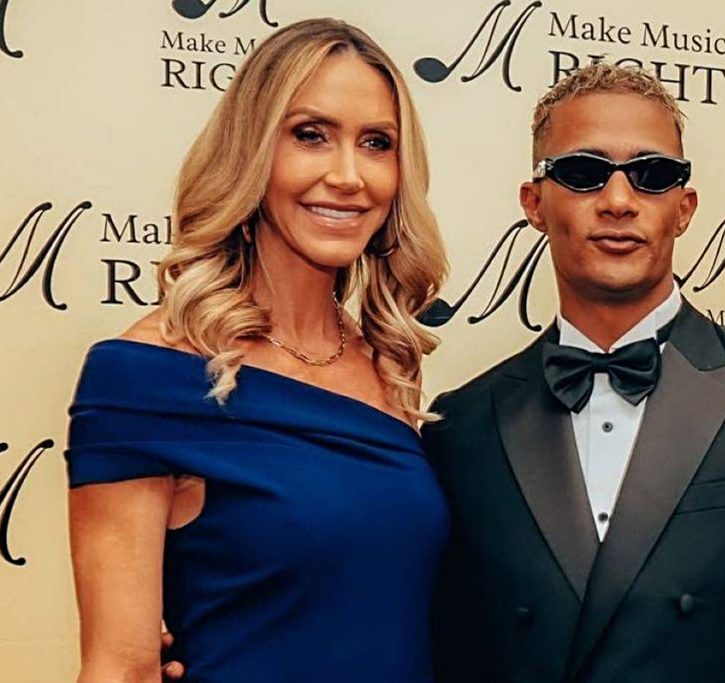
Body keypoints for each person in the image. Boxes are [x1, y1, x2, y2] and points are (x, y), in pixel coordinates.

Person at [423, 63, 725, 682]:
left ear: (684, 207)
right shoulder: (460, 427)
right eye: (583, 172)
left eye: (652, 176)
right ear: (534, 203)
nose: (619, 202)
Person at [66, 18, 448, 683]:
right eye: (310, 135)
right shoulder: (145, 377)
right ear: (251, 152)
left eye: (376, 143)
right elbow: (120, 666)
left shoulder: (386, 368)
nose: (348, 175)